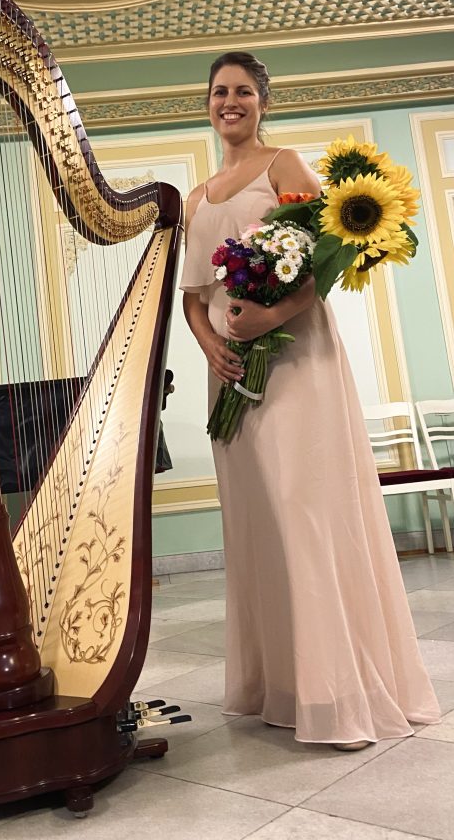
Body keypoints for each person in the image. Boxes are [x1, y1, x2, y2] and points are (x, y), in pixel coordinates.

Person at [180, 51, 441, 749]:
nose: (228, 101)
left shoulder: (282, 166)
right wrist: (210, 343)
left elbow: (323, 262)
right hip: (231, 371)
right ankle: (281, 686)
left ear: (262, 102)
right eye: (218, 92)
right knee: (258, 520)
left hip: (295, 362)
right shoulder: (196, 196)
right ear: (205, 104)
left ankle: (336, 692)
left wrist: (268, 318)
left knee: (305, 511)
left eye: (241, 91)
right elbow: (193, 300)